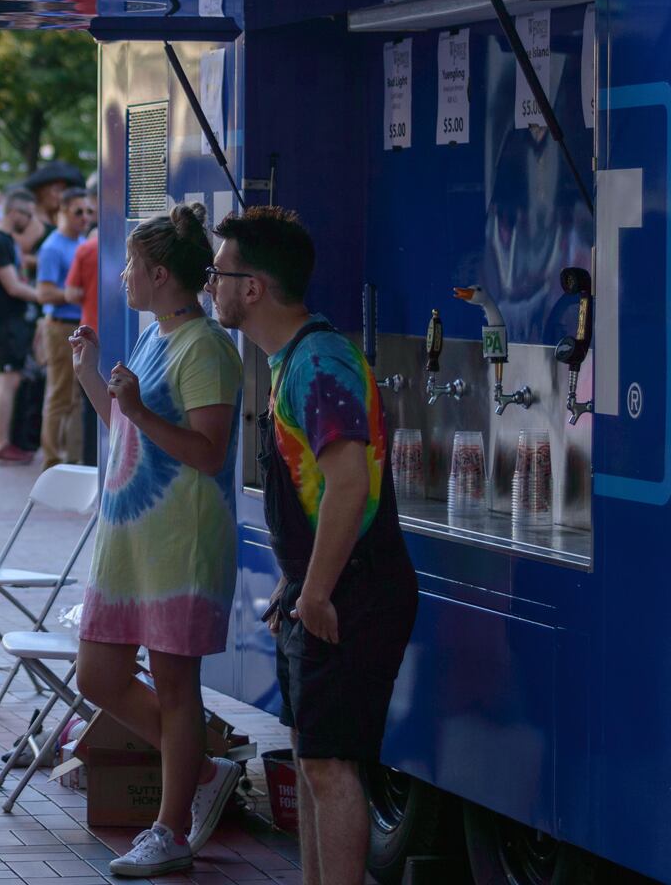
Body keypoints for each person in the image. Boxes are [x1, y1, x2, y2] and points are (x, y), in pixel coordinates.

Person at [208, 206, 417, 885]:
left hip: (354, 592)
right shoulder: (291, 359)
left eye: (218, 273)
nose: (210, 285)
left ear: (252, 288)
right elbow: (313, 497)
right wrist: (297, 586)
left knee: (331, 767)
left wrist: (319, 590)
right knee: (311, 759)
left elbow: (348, 486)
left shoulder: (318, 363)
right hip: (321, 593)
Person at [67, 203, 244, 879]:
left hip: (182, 545)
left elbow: (207, 451)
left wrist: (136, 407)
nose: (121, 276)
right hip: (130, 538)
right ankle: (199, 769)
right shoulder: (156, 333)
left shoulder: (204, 346)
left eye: (132, 266)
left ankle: (170, 830)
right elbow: (129, 430)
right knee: (99, 674)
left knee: (176, 687)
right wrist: (89, 373)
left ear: (162, 273)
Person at [0, 191, 40, 465]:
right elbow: (13, 286)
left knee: (13, 379)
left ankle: (6, 441)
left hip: (11, 320)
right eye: (27, 215)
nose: (30, 221)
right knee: (8, 380)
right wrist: (47, 295)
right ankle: (1, 442)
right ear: (14, 212)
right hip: (3, 320)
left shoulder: (5, 241)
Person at [36, 187, 92, 469]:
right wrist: (74, 293)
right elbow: (44, 294)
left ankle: (72, 458)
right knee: (59, 394)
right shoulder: (52, 247)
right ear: (63, 211)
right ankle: (52, 459)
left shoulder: (81, 241)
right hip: (60, 326)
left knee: (76, 397)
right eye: (78, 211)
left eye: (88, 211)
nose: (85, 217)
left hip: (78, 324)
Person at [64, 189, 102, 466]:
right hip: (119, 333)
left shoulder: (86, 249)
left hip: (90, 330)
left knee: (89, 403)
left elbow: (71, 293)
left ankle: (90, 462)